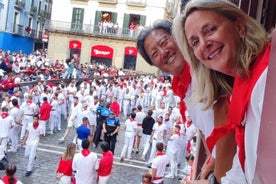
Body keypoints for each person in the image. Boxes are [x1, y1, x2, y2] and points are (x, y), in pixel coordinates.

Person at [173, 0, 271, 183]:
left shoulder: (266, 78)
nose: (204, 44)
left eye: (210, 30)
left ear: (239, 26)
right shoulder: (239, 88)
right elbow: (245, 168)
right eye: (195, 42)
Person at [137, 19, 236, 182]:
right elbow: (206, 128)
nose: (163, 52)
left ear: (179, 38)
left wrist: (216, 178)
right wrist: (212, 159)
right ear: (156, 65)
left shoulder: (206, 68)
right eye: (155, 54)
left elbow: (227, 126)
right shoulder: (183, 87)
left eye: (164, 42)